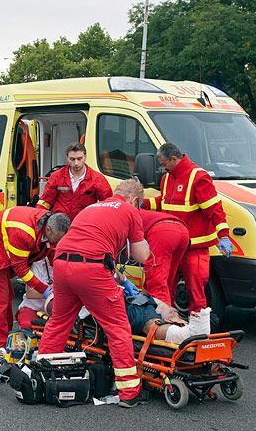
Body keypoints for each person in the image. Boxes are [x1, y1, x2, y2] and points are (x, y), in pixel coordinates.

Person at [37, 179, 151, 408]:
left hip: (62, 262)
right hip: (91, 268)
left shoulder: (91, 208)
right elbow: (141, 256)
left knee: (59, 322)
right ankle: (129, 392)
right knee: (117, 326)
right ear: (135, 200)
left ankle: (43, 377)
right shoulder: (130, 210)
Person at [144, 142, 231, 327]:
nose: (162, 168)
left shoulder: (198, 177)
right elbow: (165, 202)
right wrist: (145, 204)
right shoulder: (168, 178)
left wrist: (224, 235)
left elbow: (214, 209)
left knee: (196, 288)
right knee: (165, 285)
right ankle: (167, 326)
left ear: (174, 159)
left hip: (195, 246)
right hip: (173, 245)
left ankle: (200, 329)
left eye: (164, 163)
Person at [0, 207, 70, 348]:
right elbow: (21, 269)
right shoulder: (24, 233)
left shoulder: (46, 225)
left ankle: (7, 340)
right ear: (49, 230)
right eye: (56, 239)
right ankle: (0, 348)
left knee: (7, 297)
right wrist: (45, 290)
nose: (56, 243)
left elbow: (51, 251)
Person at [138, 206, 189, 322]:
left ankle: (162, 324)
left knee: (157, 282)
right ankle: (171, 318)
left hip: (162, 232)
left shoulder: (119, 216)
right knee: (167, 281)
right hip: (182, 230)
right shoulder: (131, 212)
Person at [36, 143, 112, 220]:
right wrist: (38, 219)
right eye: (72, 159)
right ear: (67, 158)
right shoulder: (56, 176)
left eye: (79, 159)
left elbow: (108, 204)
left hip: (84, 223)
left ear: (85, 157)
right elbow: (45, 201)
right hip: (59, 224)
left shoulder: (97, 179)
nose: (76, 163)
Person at [15, 257, 53, 331]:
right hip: (33, 308)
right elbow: (30, 293)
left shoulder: (70, 264)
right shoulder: (39, 263)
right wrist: (51, 294)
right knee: (27, 325)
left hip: (58, 313)